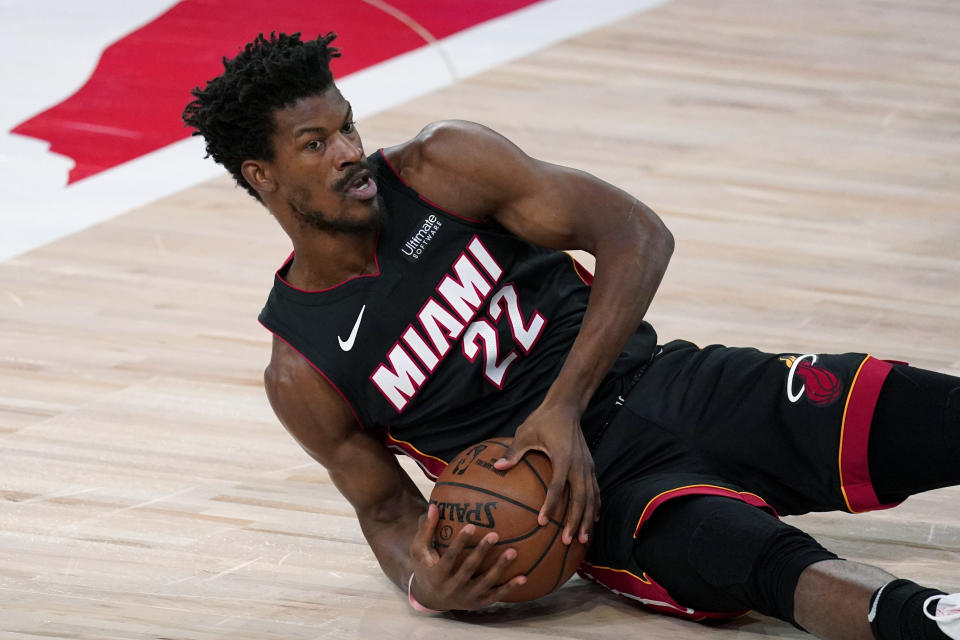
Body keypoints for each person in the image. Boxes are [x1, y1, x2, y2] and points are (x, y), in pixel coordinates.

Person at [182, 32, 960, 640]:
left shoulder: (443, 167)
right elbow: (386, 513)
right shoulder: (302, 368)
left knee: (932, 416)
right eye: (315, 144)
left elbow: (637, 234)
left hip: (668, 384)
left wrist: (560, 407)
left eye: (346, 125)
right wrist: (427, 584)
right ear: (263, 176)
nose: (350, 152)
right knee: (768, 564)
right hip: (584, 503)